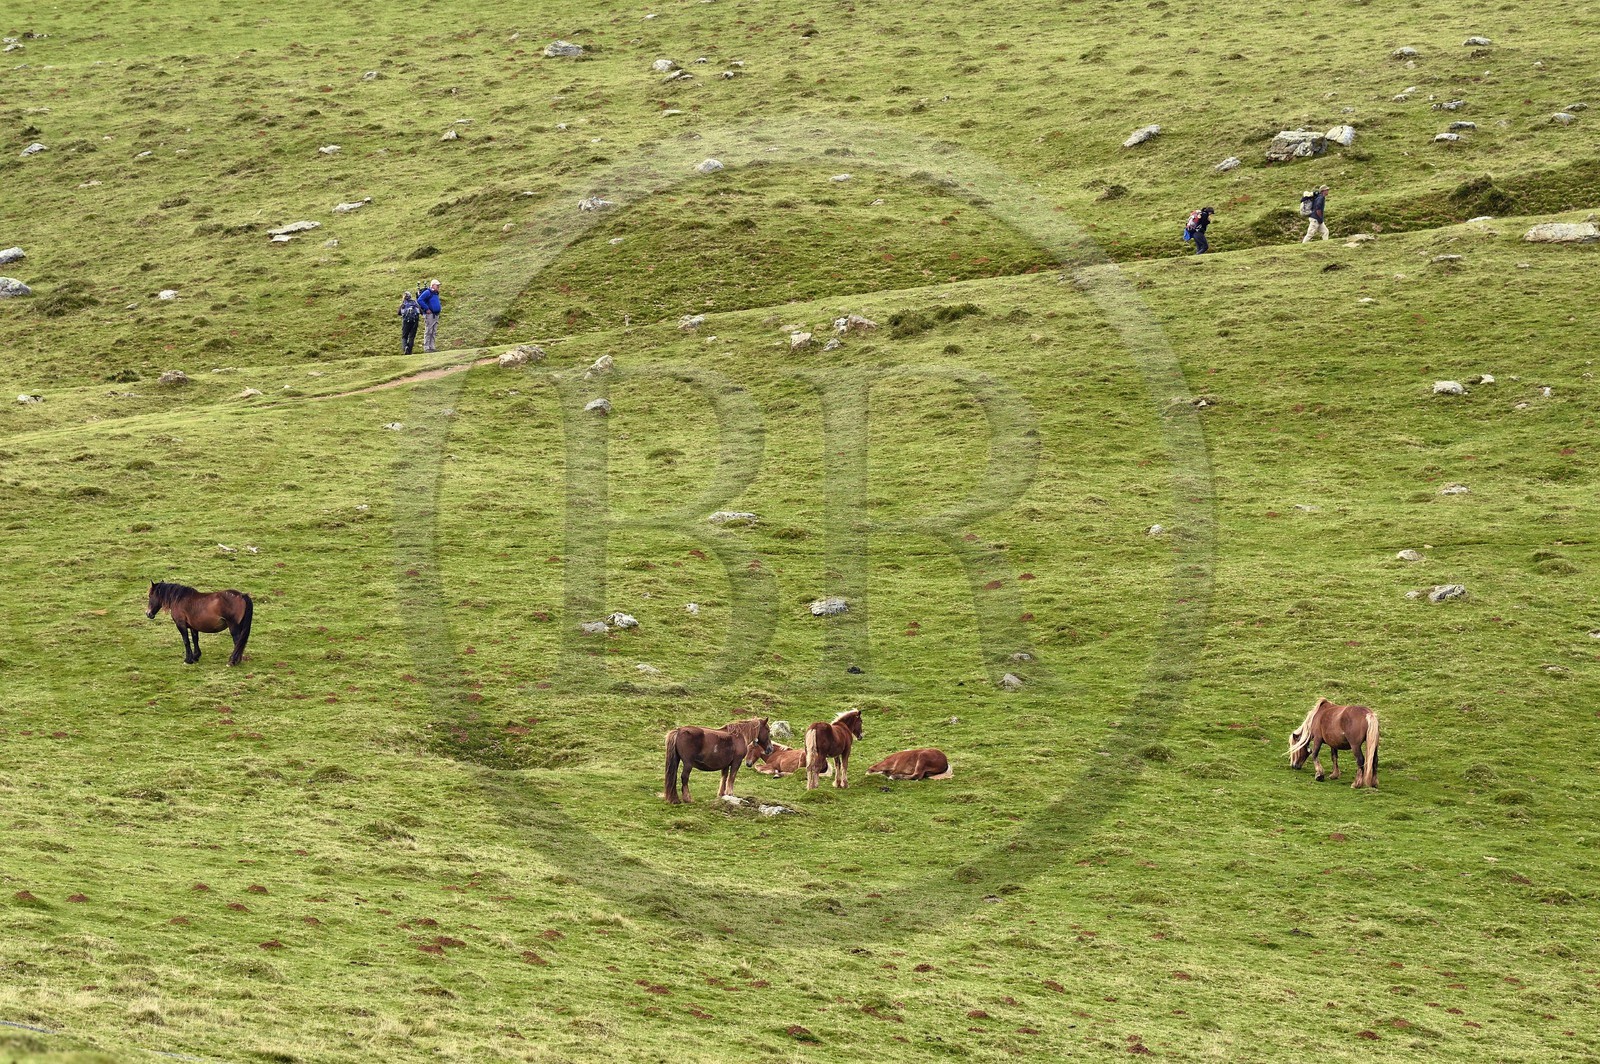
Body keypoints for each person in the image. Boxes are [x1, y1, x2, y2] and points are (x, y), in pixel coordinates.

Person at [417, 278, 442, 353]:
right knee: (429, 331)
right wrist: (427, 308)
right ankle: (427, 347)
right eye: (437, 285)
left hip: (435, 315)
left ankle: (432, 346)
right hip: (430, 315)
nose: (438, 287)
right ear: (433, 285)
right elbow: (420, 300)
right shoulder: (428, 292)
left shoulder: (435, 293)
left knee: (433, 331)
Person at [397, 289, 421, 355]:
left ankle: (405, 347)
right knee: (411, 336)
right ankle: (409, 351)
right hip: (414, 321)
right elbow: (420, 311)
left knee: (404, 336)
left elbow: (398, 313)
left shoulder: (403, 304)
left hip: (406, 321)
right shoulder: (414, 303)